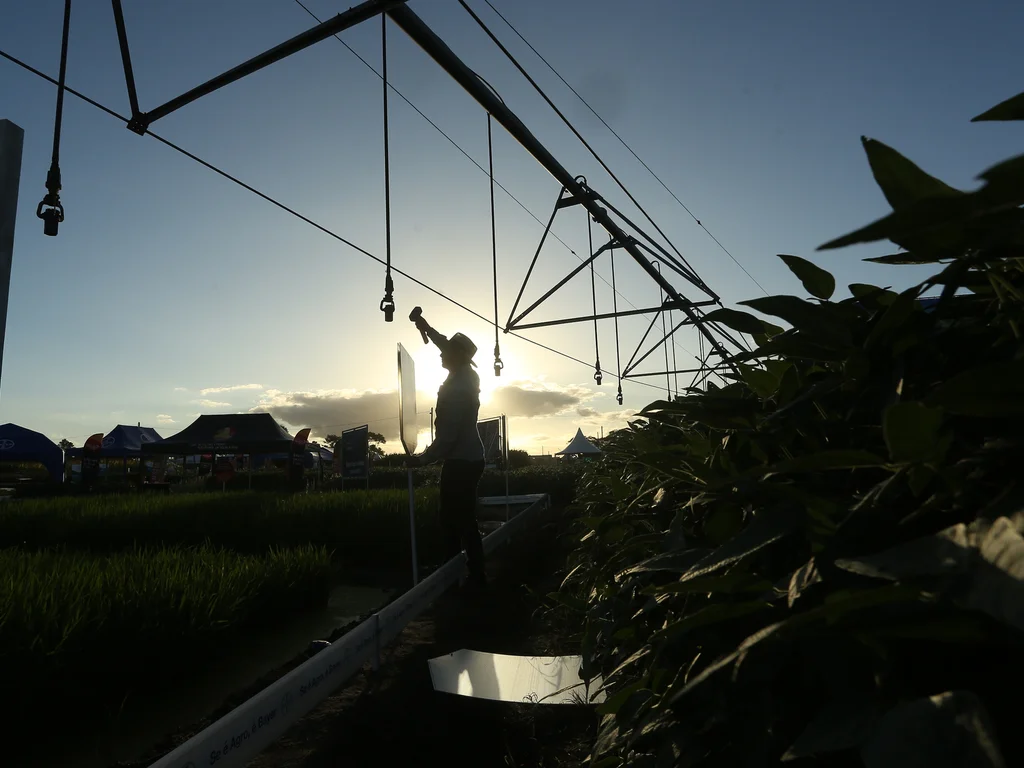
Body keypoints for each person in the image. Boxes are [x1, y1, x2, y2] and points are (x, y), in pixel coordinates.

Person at [406, 314, 487, 590]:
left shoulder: (457, 388)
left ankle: (468, 577)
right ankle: (461, 572)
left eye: (448, 351)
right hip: (469, 457)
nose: (441, 353)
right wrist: (426, 327)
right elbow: (444, 345)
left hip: (461, 460)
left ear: (458, 356)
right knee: (460, 518)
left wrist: (422, 459)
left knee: (456, 520)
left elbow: (448, 437)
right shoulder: (464, 374)